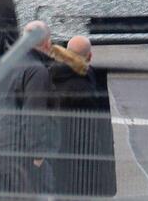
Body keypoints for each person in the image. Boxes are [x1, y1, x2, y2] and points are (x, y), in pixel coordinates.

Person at [0, 20, 55, 197]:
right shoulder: (37, 71)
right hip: (19, 153)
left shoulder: (11, 62)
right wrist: (38, 155)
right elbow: (33, 115)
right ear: (47, 43)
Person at [49, 35, 116, 197]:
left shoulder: (50, 77)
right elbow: (96, 130)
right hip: (85, 162)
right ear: (90, 56)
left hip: (58, 158)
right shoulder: (87, 85)